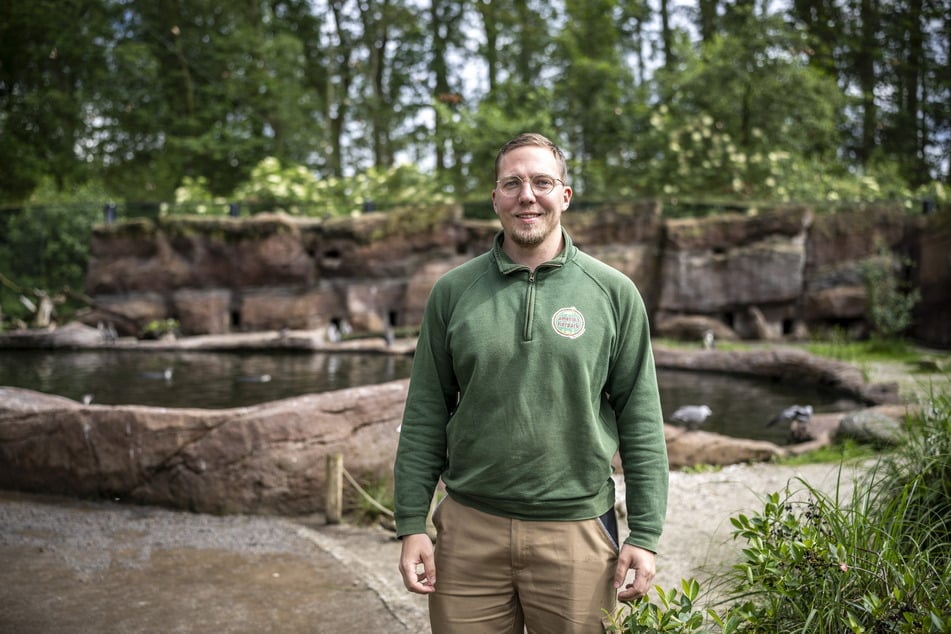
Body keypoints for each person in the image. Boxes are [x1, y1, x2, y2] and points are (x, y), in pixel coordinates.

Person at [394, 132, 669, 632]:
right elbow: (425, 414)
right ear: (495, 197)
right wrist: (412, 524)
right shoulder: (453, 293)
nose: (527, 195)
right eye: (513, 183)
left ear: (564, 195)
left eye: (542, 181)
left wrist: (644, 535)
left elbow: (642, 419)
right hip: (469, 534)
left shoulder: (614, 293)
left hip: (578, 534)